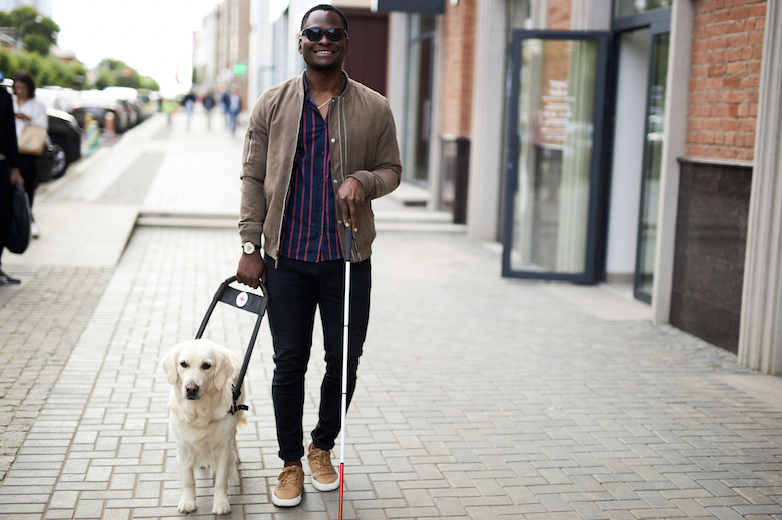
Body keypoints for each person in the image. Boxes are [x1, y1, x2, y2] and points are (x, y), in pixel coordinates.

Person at [235, 4, 401, 507]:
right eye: (313, 33)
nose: (323, 40)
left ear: (347, 43)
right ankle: (289, 463)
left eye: (333, 33)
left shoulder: (375, 107)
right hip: (287, 258)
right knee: (289, 363)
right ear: (301, 42)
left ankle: (322, 446)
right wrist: (249, 244)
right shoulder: (272, 103)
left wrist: (363, 181)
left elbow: (392, 169)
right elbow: (252, 177)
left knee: (344, 362)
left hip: (348, 259)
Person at [12, 71, 47, 239]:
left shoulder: (37, 105)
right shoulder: (10, 102)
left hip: (28, 150)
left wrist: (28, 118)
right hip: (11, 150)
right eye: (17, 88)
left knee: (27, 186)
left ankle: (29, 220)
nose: (20, 91)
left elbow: (43, 127)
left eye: (23, 88)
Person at [1, 72, 24, 285]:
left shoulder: (3, 96)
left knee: (4, 216)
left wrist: (15, 169)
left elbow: (10, 135)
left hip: (2, 167)